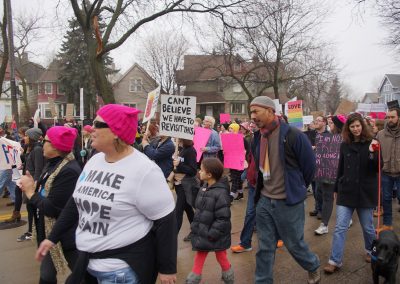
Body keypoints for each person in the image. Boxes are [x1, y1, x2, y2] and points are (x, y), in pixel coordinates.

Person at [35, 104, 177, 284]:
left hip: (121, 271)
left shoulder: (144, 170)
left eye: (98, 124)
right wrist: (52, 238)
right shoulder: (94, 161)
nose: (91, 129)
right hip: (88, 263)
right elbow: (76, 202)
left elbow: (166, 220)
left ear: (116, 132)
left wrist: (167, 268)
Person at [249, 96, 320, 284]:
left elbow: (310, 168)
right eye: (251, 112)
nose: (252, 116)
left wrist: (295, 188)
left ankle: (312, 265)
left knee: (294, 244)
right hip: (264, 200)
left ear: (271, 111)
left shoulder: (294, 135)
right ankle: (262, 280)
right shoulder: (258, 136)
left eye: (256, 111)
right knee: (264, 247)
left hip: (288, 202)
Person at [18, 126, 81, 284]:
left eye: (45, 140)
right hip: (47, 231)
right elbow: (43, 192)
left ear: (55, 146)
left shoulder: (68, 170)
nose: (42, 143)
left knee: (83, 276)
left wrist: (31, 192)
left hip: (65, 236)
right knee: (46, 277)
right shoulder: (52, 163)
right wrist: (32, 185)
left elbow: (52, 208)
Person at [323, 113, 379, 274]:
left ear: (363, 126)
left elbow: (376, 168)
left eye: (358, 126)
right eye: (352, 126)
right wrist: (335, 189)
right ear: (348, 128)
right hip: (346, 191)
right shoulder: (344, 145)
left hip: (365, 192)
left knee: (368, 228)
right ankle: (334, 260)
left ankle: (371, 250)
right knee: (340, 227)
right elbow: (340, 167)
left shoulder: (372, 142)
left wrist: (372, 152)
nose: (355, 129)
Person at [185, 158, 234, 284]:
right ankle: (194, 278)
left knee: (221, 255)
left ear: (209, 175)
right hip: (204, 231)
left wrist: (212, 234)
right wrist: (196, 227)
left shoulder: (221, 193)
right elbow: (200, 209)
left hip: (214, 234)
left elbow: (223, 218)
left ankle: (228, 277)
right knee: (200, 254)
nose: (199, 172)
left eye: (201, 170)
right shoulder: (204, 187)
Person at [314, 115, 346, 236]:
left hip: (343, 175)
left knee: (343, 199)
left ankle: (347, 218)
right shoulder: (324, 138)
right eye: (328, 123)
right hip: (329, 174)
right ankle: (324, 225)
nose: (329, 126)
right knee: (328, 198)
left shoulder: (346, 140)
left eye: (331, 123)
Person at [14, 128, 46, 242]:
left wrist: (35, 185)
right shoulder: (31, 149)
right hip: (28, 181)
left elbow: (38, 168)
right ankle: (31, 231)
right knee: (29, 208)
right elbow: (31, 164)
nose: (24, 138)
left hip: (32, 184)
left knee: (32, 209)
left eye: (26, 136)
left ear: (32, 137)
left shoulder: (37, 149)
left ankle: (32, 232)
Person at [375, 108, 400, 230]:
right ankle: (387, 224)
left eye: (392, 117)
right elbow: (375, 152)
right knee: (386, 198)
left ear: (398, 117)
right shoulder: (381, 134)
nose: (390, 119)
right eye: (388, 117)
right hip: (386, 172)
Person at [173, 138, 198, 241]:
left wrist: (179, 165)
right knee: (187, 208)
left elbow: (192, 170)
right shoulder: (181, 149)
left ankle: (171, 240)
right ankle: (195, 231)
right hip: (179, 184)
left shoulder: (191, 151)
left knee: (178, 212)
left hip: (186, 184)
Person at [309, 115, 329, 219]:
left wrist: (317, 147)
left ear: (324, 123)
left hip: (322, 167)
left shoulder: (328, 135)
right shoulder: (312, 134)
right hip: (312, 166)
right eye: (315, 120)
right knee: (314, 189)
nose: (316, 122)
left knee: (319, 190)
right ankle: (317, 208)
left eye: (319, 120)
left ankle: (321, 210)